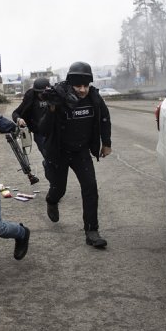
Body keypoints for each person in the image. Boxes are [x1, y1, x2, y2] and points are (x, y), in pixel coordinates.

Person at [38, 61, 112, 248]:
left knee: (90, 188)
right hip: (59, 152)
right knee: (59, 188)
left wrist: (107, 143)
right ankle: (51, 200)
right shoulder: (59, 97)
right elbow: (43, 129)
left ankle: (92, 231)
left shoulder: (94, 98)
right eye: (78, 86)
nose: (82, 90)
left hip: (81, 152)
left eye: (85, 85)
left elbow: (104, 119)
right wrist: (52, 110)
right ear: (71, 84)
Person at [12, 77, 51, 158]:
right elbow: (16, 113)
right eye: (39, 93)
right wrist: (19, 119)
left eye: (44, 93)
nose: (42, 95)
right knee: (48, 157)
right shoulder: (31, 98)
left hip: (54, 132)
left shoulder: (54, 96)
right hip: (39, 133)